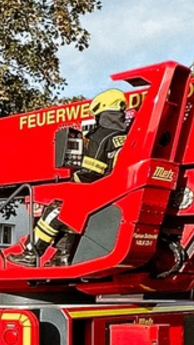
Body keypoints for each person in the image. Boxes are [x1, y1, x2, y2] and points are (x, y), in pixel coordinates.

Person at [9, 88, 129, 268]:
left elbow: (91, 170)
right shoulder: (127, 135)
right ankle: (62, 256)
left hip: (101, 190)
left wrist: (73, 183)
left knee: (55, 209)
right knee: (71, 214)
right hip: (118, 192)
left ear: (102, 111)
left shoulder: (101, 135)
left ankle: (30, 253)